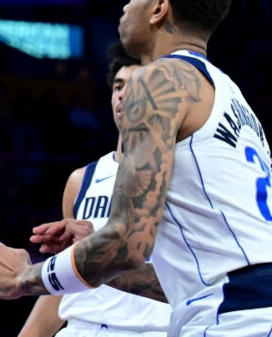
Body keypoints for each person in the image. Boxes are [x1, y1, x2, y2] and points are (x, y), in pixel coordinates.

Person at [0, 0, 272, 336]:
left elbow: (129, 244)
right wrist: (96, 252)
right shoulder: (232, 97)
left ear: (158, 9)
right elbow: (174, 284)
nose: (124, 7)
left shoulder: (160, 81)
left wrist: (26, 275)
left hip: (241, 317)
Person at [20, 44, 169, 337]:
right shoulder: (81, 179)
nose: (123, 94)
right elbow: (66, 276)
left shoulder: (183, 176)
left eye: (136, 85)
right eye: (118, 86)